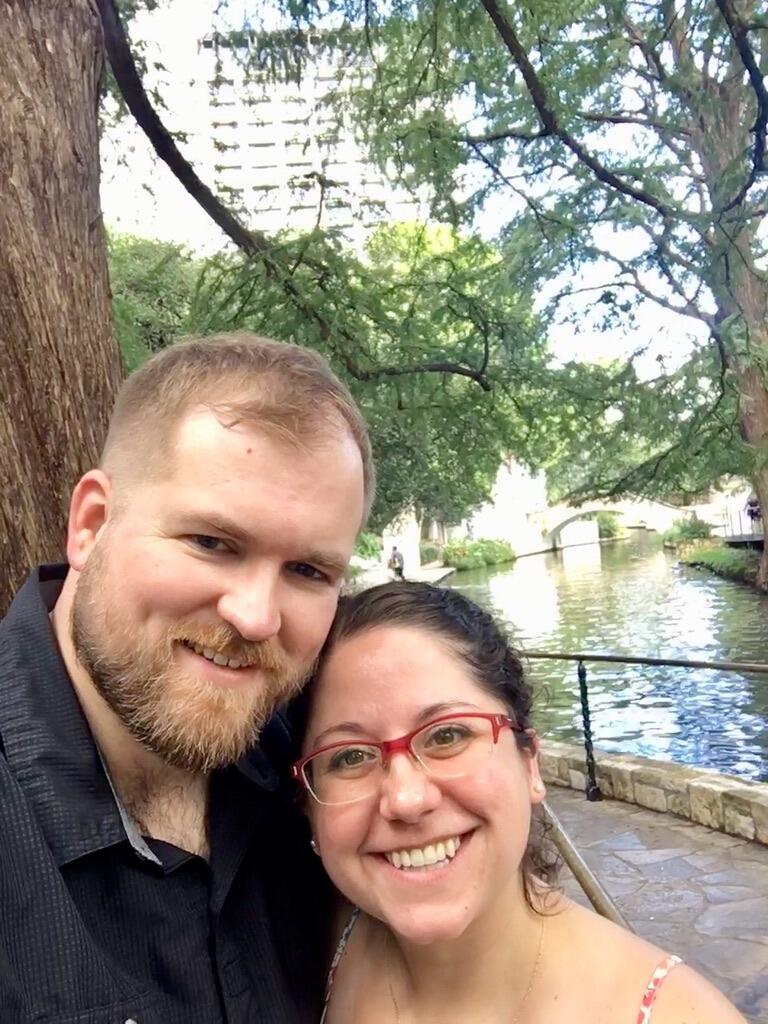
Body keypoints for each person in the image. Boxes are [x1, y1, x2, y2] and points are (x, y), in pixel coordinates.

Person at [0, 332, 374, 1023]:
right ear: (91, 523)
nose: (258, 617)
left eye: (309, 572)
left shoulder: (327, 758)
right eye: (211, 543)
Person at [291, 582, 747, 1024]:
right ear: (308, 807)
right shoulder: (307, 944)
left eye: (448, 735)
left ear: (529, 762)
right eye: (350, 757)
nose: (407, 799)